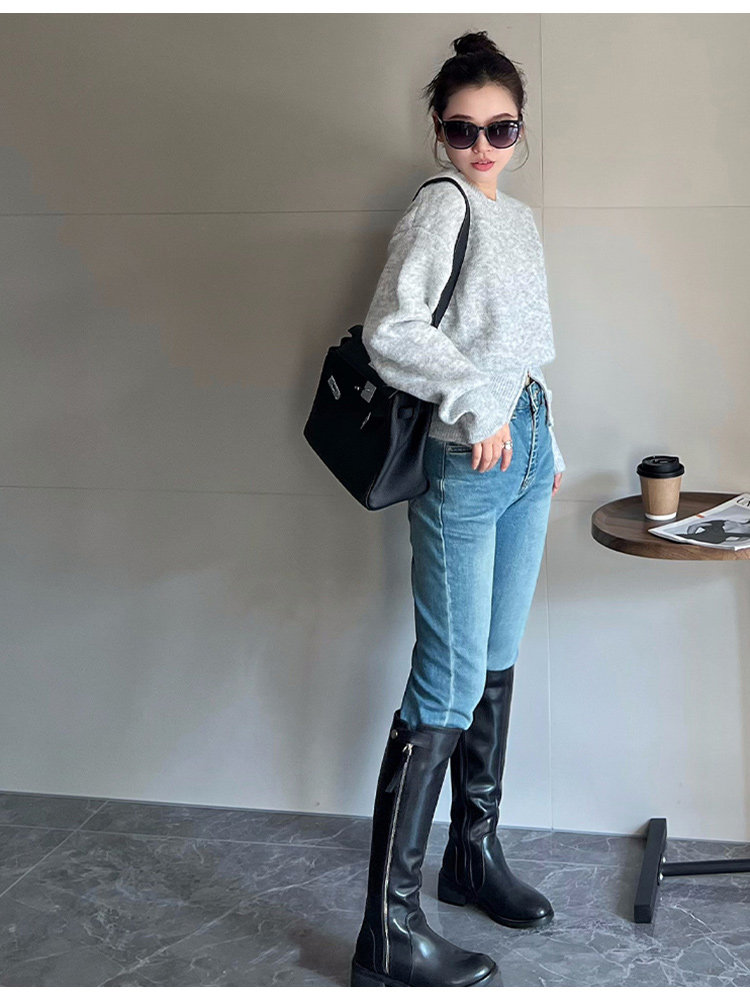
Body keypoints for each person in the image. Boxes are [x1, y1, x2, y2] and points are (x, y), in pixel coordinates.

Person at [349, 30, 565, 988]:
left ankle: (471, 857)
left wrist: (546, 444)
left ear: (521, 130)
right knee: (446, 686)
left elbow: (523, 352)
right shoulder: (440, 205)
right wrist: (478, 407)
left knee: (496, 662)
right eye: (463, 129)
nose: (482, 146)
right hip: (466, 462)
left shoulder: (517, 220)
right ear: (439, 132)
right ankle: (389, 931)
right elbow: (391, 327)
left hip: (523, 455)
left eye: (500, 128)